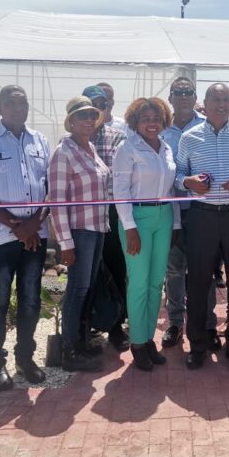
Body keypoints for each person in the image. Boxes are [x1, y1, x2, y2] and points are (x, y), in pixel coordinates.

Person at [0, 86, 51, 390]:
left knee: (30, 301)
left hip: (35, 235)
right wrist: (17, 226)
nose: (18, 108)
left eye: (23, 103)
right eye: (11, 103)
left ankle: (25, 359)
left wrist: (33, 223)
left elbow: (50, 189)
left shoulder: (40, 140)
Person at [175, 82, 229, 370]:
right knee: (198, 282)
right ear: (206, 102)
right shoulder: (189, 137)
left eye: (226, 100)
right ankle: (198, 345)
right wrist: (189, 182)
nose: (221, 105)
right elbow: (178, 175)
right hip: (202, 216)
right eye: (216, 99)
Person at [112, 97, 180, 371]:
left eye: (156, 119)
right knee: (139, 282)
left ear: (164, 121)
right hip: (137, 219)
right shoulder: (127, 148)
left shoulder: (166, 148)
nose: (152, 124)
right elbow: (120, 191)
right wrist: (129, 227)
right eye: (145, 119)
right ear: (135, 122)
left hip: (164, 217)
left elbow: (171, 190)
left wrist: (175, 225)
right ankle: (138, 342)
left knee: (156, 283)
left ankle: (149, 338)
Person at [49, 96, 111, 372]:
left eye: (92, 115)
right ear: (71, 121)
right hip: (79, 230)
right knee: (77, 289)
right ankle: (70, 350)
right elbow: (57, 201)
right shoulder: (63, 153)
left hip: (97, 228)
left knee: (87, 287)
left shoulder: (90, 149)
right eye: (82, 116)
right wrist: (65, 243)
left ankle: (81, 341)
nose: (88, 120)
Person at [159, 77, 216, 347]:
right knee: (174, 271)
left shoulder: (208, 126)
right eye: (178, 92)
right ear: (170, 97)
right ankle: (175, 323)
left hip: (203, 211)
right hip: (170, 211)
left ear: (195, 98)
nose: (183, 97)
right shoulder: (159, 128)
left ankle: (208, 324)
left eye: (188, 92)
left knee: (204, 271)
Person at [81, 85, 130, 351]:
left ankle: (116, 326)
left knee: (116, 268)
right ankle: (85, 324)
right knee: (86, 272)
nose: (96, 112)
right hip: (83, 214)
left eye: (101, 105)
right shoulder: (69, 141)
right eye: (91, 107)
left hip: (112, 211)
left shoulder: (118, 137)